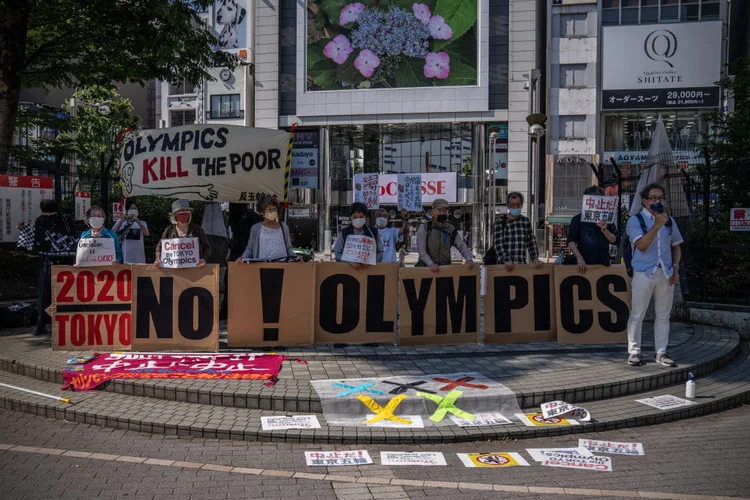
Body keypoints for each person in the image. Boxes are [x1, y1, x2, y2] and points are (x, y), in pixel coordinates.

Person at [626, 183, 683, 368]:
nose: (658, 201)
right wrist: (657, 225)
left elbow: (676, 246)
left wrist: (675, 268)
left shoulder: (670, 221)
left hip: (665, 272)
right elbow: (641, 245)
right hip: (643, 272)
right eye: (653, 198)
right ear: (644, 201)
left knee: (663, 315)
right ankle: (634, 352)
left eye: (660, 198)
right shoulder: (636, 221)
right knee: (638, 314)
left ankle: (661, 352)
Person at [32, 200, 72, 335]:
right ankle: (42, 321)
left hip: (62, 260)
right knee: (44, 293)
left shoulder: (64, 220)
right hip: (47, 261)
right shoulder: (41, 220)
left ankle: (60, 322)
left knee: (61, 292)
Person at [220, 203, 263, 319]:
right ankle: (229, 310)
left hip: (248, 254)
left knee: (236, 282)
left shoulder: (251, 217)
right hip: (239, 253)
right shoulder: (235, 217)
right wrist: (230, 251)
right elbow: (232, 236)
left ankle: (232, 310)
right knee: (230, 281)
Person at [567, 186, 619, 273]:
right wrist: (579, 258)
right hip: (584, 265)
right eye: (592, 198)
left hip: (603, 264)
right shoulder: (577, 219)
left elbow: (615, 240)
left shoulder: (607, 219)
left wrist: (605, 231)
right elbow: (570, 241)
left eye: (599, 197)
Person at [416, 198, 475, 272]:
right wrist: (430, 264)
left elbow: (461, 245)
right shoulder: (425, 227)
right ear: (433, 211)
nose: (442, 213)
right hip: (426, 270)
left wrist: (469, 258)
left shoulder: (450, 228)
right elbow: (421, 250)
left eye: (445, 211)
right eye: (439, 211)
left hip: (445, 270)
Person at [492, 192, 543, 272]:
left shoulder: (525, 222)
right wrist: (506, 260)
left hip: (521, 266)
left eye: (518, 205)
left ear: (522, 205)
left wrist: (535, 258)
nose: (515, 207)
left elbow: (531, 243)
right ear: (508, 206)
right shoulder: (500, 222)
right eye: (513, 205)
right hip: (503, 268)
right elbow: (498, 244)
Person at [237, 196, 299, 262]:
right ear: (262, 212)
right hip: (262, 267)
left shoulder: (284, 227)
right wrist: (242, 258)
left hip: (283, 267)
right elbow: (250, 248)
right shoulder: (255, 228)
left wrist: (296, 257)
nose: (272, 212)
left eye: (274, 209)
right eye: (269, 209)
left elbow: (289, 248)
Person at [154, 199, 210, 268]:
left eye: (186, 211)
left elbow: (207, 248)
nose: (184, 213)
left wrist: (203, 259)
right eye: (181, 212)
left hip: (194, 269)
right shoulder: (169, 230)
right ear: (175, 215)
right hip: (173, 271)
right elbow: (159, 247)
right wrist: (158, 259)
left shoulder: (197, 229)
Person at [333, 202, 383, 268]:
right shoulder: (344, 233)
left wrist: (370, 262)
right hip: (349, 272)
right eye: (355, 217)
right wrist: (350, 263)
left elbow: (380, 252)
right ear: (351, 217)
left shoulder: (374, 232)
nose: (358, 219)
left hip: (369, 271)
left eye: (361, 217)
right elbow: (337, 254)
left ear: (365, 217)